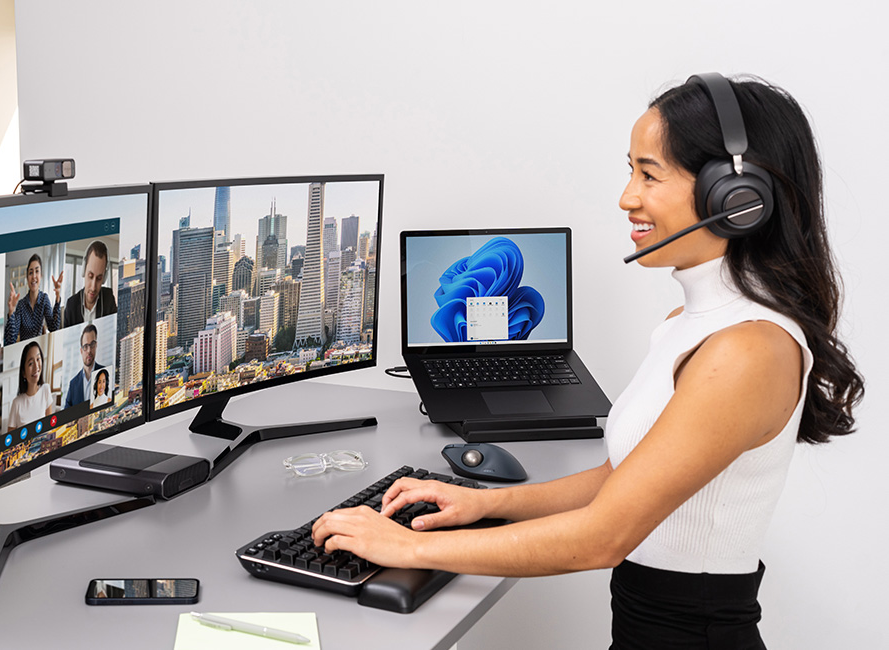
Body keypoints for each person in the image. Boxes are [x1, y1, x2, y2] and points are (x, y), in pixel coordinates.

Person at [311, 74, 863, 648]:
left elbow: (605, 536)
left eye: (649, 174)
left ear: (736, 198)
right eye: (631, 171)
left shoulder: (748, 349)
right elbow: (621, 480)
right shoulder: (691, 327)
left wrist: (408, 546)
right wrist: (482, 503)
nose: (628, 197)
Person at [4, 253, 62, 345]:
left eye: (37, 271)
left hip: (38, 349)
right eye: (30, 272)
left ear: (41, 276)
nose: (34, 276)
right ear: (27, 278)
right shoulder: (21, 305)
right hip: (24, 350)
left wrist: (58, 296)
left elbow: (53, 328)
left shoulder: (44, 299)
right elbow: (11, 340)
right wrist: (11, 312)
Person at [63, 240, 117, 327]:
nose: (93, 287)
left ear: (104, 278)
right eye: (90, 276)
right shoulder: (71, 306)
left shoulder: (109, 298)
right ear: (84, 270)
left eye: (99, 279)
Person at [7, 340, 55, 429]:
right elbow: (10, 439)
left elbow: (50, 427)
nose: (36, 367)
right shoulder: (16, 403)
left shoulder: (46, 389)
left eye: (38, 359)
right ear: (24, 373)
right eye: (30, 363)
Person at [65, 324, 102, 408]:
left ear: (96, 346)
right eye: (85, 346)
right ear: (81, 351)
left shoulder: (105, 374)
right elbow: (66, 414)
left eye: (92, 344)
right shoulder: (73, 384)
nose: (89, 350)